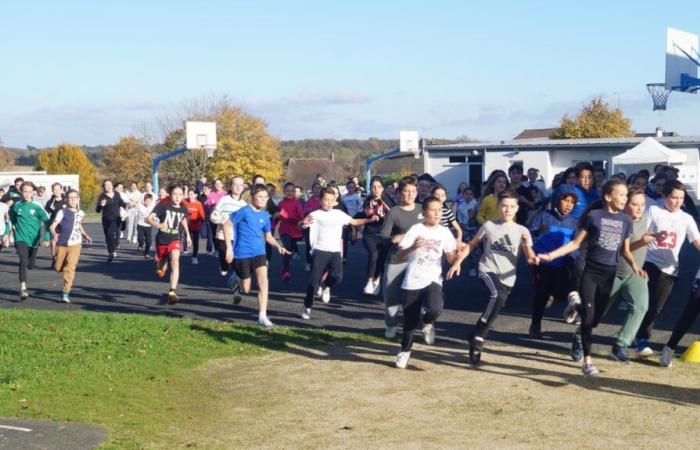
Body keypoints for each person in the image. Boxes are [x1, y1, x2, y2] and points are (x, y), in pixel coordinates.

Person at [538, 180, 642, 377]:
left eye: (626, 195)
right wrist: (551, 256)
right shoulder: (594, 216)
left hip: (609, 274)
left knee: (595, 319)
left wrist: (635, 265)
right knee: (588, 320)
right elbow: (576, 243)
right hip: (590, 272)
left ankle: (575, 306)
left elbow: (625, 250)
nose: (625, 199)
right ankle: (587, 362)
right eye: (621, 195)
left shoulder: (626, 221)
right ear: (608, 197)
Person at [450, 190, 535, 365]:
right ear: (498, 207)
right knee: (498, 295)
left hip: (508, 277)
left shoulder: (522, 230)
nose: (508, 210)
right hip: (487, 270)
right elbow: (472, 245)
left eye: (512, 206)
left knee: (497, 305)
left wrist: (532, 252)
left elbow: (529, 256)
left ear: (517, 208)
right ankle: (480, 335)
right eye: (504, 206)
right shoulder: (489, 226)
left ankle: (475, 336)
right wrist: (458, 262)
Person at [634, 180, 700, 357]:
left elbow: (697, 241)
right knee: (645, 303)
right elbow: (642, 234)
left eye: (681, 198)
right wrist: (654, 235)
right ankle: (641, 338)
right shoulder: (654, 211)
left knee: (656, 307)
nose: (678, 201)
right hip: (650, 262)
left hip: (670, 268)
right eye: (674, 197)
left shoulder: (686, 218)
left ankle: (638, 335)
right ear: (664, 196)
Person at [394, 196, 459, 369]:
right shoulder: (416, 229)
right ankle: (405, 351)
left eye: (440, 210)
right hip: (413, 280)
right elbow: (399, 255)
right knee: (409, 321)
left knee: (435, 309)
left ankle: (428, 321)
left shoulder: (445, 232)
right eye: (433, 210)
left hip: (433, 278)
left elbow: (451, 257)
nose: (437, 213)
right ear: (424, 213)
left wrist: (457, 257)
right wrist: (413, 247)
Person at [300, 187, 377, 319]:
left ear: (335, 201)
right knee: (313, 282)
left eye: (332, 200)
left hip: (335, 251)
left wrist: (369, 220)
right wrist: (302, 222)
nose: (329, 203)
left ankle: (326, 285)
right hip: (319, 250)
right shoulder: (315, 214)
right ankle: (307, 306)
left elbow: (353, 221)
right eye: (326, 200)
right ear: (320, 200)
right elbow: (301, 225)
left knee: (337, 277)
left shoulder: (339, 214)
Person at [223, 184, 290, 328]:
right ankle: (237, 278)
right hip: (242, 253)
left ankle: (262, 316)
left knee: (263, 282)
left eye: (265, 197)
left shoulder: (265, 215)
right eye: (259, 196)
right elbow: (226, 225)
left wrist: (278, 246)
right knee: (246, 289)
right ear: (252, 197)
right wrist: (229, 248)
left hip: (260, 253)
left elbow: (268, 236)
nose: (263, 199)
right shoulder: (244, 211)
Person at [605, 188, 653, 363]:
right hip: (613, 272)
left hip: (635, 273)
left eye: (642, 204)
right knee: (598, 312)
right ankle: (580, 339)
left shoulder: (646, 219)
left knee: (640, 307)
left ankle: (620, 346)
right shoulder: (617, 222)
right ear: (625, 204)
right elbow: (618, 251)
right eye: (635, 204)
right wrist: (641, 242)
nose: (640, 208)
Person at [527, 191, 578, 338]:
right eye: (565, 200)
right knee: (540, 295)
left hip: (562, 263)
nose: (568, 204)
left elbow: (576, 243)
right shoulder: (544, 216)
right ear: (557, 201)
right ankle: (535, 326)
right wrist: (537, 232)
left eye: (572, 202)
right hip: (542, 262)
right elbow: (529, 235)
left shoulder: (574, 222)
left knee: (564, 292)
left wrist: (572, 257)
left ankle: (569, 309)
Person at [380, 176, 423, 338]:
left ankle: (424, 324)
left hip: (418, 260)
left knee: (420, 296)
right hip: (397, 259)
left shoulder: (422, 209)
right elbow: (383, 236)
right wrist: (393, 238)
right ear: (399, 193)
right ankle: (391, 324)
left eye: (413, 191)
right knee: (391, 295)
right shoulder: (394, 212)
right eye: (406, 191)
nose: (410, 194)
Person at [2, 182, 51, 300]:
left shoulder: (37, 206)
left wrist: (47, 237)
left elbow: (48, 222)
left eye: (29, 191)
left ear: (33, 192)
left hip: (34, 240)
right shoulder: (16, 206)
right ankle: (23, 288)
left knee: (30, 265)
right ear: (21, 192)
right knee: (23, 260)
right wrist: (6, 234)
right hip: (20, 238)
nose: (27, 194)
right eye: (25, 191)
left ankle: (29, 265)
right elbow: (10, 221)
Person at [147, 185, 191, 305]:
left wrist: (187, 234)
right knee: (162, 266)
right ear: (170, 195)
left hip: (175, 238)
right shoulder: (163, 207)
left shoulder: (183, 208)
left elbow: (183, 219)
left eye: (180, 194)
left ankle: (172, 291)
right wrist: (157, 225)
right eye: (175, 194)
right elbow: (148, 218)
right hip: (162, 239)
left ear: (183, 196)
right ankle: (159, 265)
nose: (177, 197)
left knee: (175, 261)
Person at [50, 189, 92, 303]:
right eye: (70, 198)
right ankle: (55, 260)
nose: (73, 200)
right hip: (62, 244)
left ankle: (65, 292)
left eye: (75, 197)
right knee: (58, 268)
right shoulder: (62, 212)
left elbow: (78, 225)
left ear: (78, 199)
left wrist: (85, 235)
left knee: (70, 268)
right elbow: (53, 226)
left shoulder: (81, 213)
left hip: (76, 244)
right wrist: (54, 234)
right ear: (66, 199)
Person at [210, 177, 247, 276]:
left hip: (236, 236)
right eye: (235, 184)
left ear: (243, 187)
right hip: (222, 234)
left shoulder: (243, 204)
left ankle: (236, 277)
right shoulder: (224, 200)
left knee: (236, 258)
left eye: (241, 185)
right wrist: (222, 220)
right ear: (231, 186)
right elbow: (214, 215)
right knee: (224, 255)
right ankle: (223, 266)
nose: (238, 187)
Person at [361, 176, 391, 295]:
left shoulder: (388, 200)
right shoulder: (367, 201)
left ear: (382, 188)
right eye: (373, 187)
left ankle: (376, 279)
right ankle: (369, 281)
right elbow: (368, 212)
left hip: (384, 234)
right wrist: (373, 215)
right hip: (370, 233)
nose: (376, 190)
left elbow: (393, 213)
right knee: (373, 255)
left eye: (378, 187)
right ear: (370, 189)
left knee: (381, 259)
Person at [276, 182, 304, 282]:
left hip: (295, 231)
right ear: (284, 192)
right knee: (287, 249)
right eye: (287, 191)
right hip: (284, 231)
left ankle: (285, 266)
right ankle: (286, 271)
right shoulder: (280, 203)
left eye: (292, 191)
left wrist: (287, 216)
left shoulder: (297, 203)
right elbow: (276, 218)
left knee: (290, 251)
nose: (290, 193)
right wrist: (272, 226)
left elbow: (300, 218)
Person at [96, 180, 126, 263]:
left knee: (110, 233)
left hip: (116, 219)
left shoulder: (117, 194)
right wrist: (101, 205)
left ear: (112, 186)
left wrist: (128, 205)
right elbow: (98, 210)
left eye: (109, 184)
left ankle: (112, 251)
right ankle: (111, 252)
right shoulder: (102, 196)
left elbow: (122, 203)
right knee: (107, 237)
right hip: (106, 219)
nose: (108, 186)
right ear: (104, 187)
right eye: (106, 185)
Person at [302, 182, 323, 271]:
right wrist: (311, 210)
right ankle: (308, 262)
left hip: (321, 226)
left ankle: (319, 263)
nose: (317, 190)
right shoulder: (309, 201)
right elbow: (305, 211)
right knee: (309, 245)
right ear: (312, 190)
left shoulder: (323, 200)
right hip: (310, 226)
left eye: (319, 188)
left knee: (320, 244)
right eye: (315, 188)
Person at [182, 189, 205, 265]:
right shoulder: (185, 202)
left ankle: (194, 256)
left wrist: (200, 223)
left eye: (192, 194)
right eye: (189, 194)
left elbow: (202, 216)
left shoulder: (198, 204)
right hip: (186, 225)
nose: (190, 196)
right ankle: (185, 250)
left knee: (195, 242)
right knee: (185, 238)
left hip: (195, 226)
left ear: (195, 195)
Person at [44, 182, 66, 257]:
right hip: (54, 224)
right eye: (54, 190)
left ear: (61, 190)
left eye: (58, 189)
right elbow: (46, 214)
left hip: (65, 224)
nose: (56, 191)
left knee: (64, 241)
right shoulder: (50, 202)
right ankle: (54, 257)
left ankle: (63, 256)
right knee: (54, 240)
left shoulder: (66, 200)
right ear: (52, 191)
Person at [136, 193, 155, 258]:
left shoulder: (153, 207)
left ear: (151, 201)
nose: (148, 202)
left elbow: (156, 215)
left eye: (149, 201)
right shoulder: (139, 206)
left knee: (149, 241)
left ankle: (146, 253)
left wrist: (155, 221)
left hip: (148, 226)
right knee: (140, 238)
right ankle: (140, 245)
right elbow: (133, 212)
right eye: (147, 201)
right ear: (144, 200)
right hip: (140, 225)